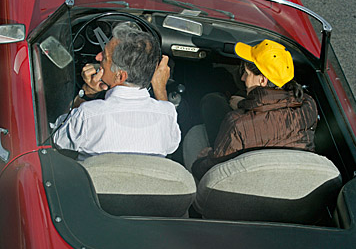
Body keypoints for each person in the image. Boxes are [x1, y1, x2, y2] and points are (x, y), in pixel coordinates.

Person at [190, 39, 318, 180]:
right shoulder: (308, 104)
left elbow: (209, 170)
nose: (243, 78)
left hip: (243, 185)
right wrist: (243, 104)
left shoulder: (237, 124)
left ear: (263, 80)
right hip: (289, 180)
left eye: (246, 73)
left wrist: (203, 159)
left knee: (212, 101)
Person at [53, 23, 181, 159]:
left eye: (105, 57)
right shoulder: (167, 113)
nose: (97, 57)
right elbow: (171, 145)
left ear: (120, 76)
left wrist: (88, 91)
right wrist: (160, 89)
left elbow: (58, 138)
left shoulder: (88, 115)